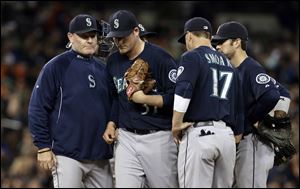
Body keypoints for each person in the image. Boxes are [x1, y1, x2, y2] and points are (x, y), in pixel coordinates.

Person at [28, 14, 114, 188]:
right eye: (84, 36)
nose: (90, 40)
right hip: (67, 155)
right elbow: (37, 107)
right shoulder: (56, 66)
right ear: (70, 37)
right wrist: (43, 147)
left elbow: (113, 105)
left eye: (93, 35)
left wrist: (113, 122)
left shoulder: (103, 69)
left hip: (100, 157)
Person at [102, 10, 179, 188]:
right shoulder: (113, 61)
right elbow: (115, 97)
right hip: (126, 138)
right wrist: (112, 123)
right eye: (115, 38)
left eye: (123, 37)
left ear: (136, 31)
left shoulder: (160, 58)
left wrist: (146, 98)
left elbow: (177, 97)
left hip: (158, 136)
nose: (119, 42)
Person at [213, 21, 291, 188]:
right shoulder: (232, 69)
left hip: (253, 142)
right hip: (241, 142)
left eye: (221, 42)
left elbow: (273, 95)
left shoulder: (250, 67)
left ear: (237, 42)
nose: (217, 46)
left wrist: (249, 119)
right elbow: (283, 92)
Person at [172, 17, 244, 188]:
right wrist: (236, 134)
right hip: (226, 137)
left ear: (189, 36)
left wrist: (176, 123)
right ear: (209, 37)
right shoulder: (229, 64)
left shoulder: (191, 57)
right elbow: (239, 106)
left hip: (200, 134)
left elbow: (183, 90)